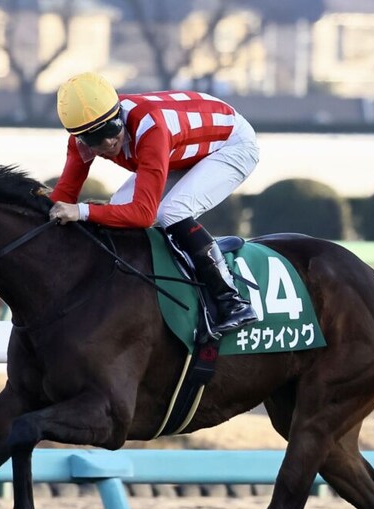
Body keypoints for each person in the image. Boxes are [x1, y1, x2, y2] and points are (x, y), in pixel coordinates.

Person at [48, 72, 259, 334]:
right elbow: (63, 196)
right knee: (118, 205)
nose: (110, 142)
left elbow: (144, 214)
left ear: (118, 115)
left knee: (171, 211)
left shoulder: (150, 127)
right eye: (95, 140)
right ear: (79, 138)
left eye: (112, 129)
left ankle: (232, 302)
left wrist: (81, 211)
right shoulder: (80, 144)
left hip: (231, 144)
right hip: (180, 150)